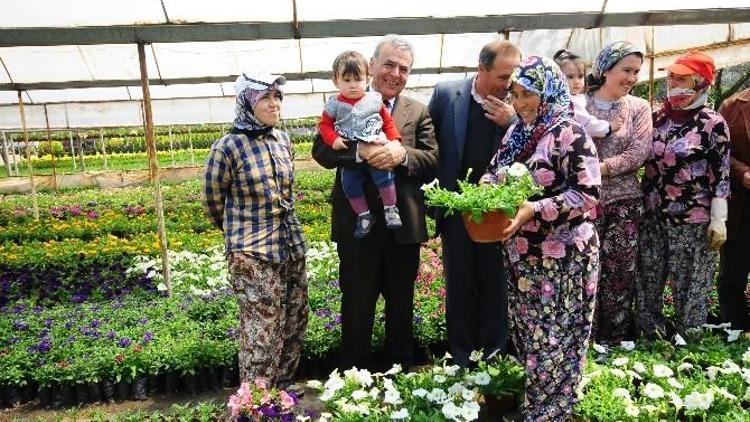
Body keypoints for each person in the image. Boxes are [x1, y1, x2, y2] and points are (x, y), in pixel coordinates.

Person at [480, 55, 601, 421]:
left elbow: (589, 194)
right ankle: (538, 404)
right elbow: (493, 172)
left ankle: (551, 412)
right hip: (523, 256)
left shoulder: (570, 133)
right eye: (515, 94)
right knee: (531, 337)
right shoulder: (517, 133)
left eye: (528, 93)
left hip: (562, 258)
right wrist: (484, 189)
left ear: (548, 91)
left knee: (555, 336)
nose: (519, 102)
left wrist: (536, 209)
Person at [312, 35, 439, 371]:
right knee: (357, 300)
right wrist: (358, 151)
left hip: (403, 227)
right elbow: (322, 151)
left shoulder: (417, 111)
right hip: (357, 226)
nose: (395, 73)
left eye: (404, 69)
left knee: (401, 302)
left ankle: (400, 369)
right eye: (389, 64)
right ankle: (354, 372)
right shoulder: (341, 103)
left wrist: (402, 154)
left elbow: (432, 159)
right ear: (371, 67)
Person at [202, 73, 308, 388]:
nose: (274, 104)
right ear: (247, 102)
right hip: (252, 252)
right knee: (262, 326)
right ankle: (256, 400)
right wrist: (240, 236)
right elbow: (212, 199)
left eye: (278, 97)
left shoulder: (282, 140)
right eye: (265, 98)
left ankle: (282, 391)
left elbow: (286, 192)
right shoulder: (228, 146)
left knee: (296, 318)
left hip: (288, 244)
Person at [428, 39, 519, 367]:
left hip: (500, 211)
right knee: (460, 284)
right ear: (481, 68)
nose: (508, 84)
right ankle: (461, 353)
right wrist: (435, 203)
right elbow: (430, 148)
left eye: (512, 76)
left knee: (497, 284)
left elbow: (534, 145)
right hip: (456, 210)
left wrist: (512, 123)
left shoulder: (518, 103)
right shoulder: (445, 95)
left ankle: (496, 353)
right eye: (502, 76)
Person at [639, 51, 731, 337]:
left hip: (693, 220)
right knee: (647, 281)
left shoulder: (712, 124)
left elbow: (722, 175)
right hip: (653, 216)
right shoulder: (656, 117)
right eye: (671, 77)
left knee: (692, 286)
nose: (674, 83)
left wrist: (719, 219)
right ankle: (650, 341)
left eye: (683, 78)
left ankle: (690, 347)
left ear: (701, 83)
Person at [584, 41, 652, 342]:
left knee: (619, 275)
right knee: (585, 272)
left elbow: (638, 154)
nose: (632, 78)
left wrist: (594, 169)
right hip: (583, 204)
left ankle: (613, 343)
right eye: (626, 70)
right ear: (606, 69)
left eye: (636, 72)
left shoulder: (638, 108)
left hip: (625, 204)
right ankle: (583, 342)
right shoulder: (577, 104)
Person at [319, 50, 403, 238]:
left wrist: (395, 142)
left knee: (384, 177)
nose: (353, 85)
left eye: (358, 80)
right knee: (349, 184)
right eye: (347, 80)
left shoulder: (374, 100)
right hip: (351, 158)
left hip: (376, 148)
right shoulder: (333, 104)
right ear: (335, 81)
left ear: (367, 79)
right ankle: (364, 216)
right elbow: (324, 126)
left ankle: (391, 209)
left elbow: (388, 123)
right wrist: (334, 139)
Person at [717, 88, 750, 335]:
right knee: (732, 275)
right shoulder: (732, 105)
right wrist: (742, 172)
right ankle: (735, 332)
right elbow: (720, 153)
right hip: (741, 204)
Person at [553, 49, 621, 138]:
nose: (577, 82)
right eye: (570, 77)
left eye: (580, 76)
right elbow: (588, 125)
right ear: (557, 78)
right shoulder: (569, 101)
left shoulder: (571, 97)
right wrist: (609, 126)